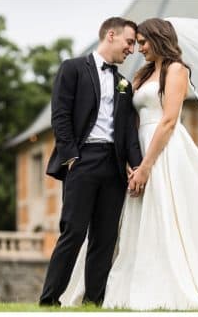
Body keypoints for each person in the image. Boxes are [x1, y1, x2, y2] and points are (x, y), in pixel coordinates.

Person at [60, 18, 198, 311]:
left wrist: (147, 166)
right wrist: (130, 161)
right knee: (131, 218)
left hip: (164, 150)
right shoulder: (140, 75)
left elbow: (168, 121)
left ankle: (172, 281)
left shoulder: (177, 70)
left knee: (166, 210)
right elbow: (128, 119)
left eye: (142, 42)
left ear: (158, 37)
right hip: (138, 149)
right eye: (136, 43)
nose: (139, 48)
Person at [39, 18, 143, 307]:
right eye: (129, 42)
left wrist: (137, 166)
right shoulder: (72, 69)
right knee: (73, 232)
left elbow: (128, 131)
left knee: (105, 237)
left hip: (113, 165)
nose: (132, 49)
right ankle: (49, 300)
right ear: (111, 35)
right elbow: (60, 116)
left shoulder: (124, 83)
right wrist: (71, 157)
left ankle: (94, 302)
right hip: (82, 160)